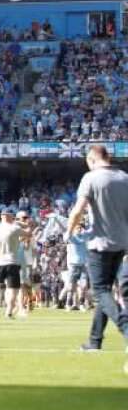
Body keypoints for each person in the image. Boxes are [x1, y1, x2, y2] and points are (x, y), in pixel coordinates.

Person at [68, 144, 128, 356]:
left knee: (101, 291)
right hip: (121, 244)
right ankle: (95, 340)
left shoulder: (91, 178)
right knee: (107, 292)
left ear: (92, 160)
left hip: (99, 243)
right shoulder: (124, 177)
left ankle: (126, 327)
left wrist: (69, 231)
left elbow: (78, 211)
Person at [0, 208, 25, 321]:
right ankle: (8, 311)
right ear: (11, 216)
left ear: (1, 216)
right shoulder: (15, 228)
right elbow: (28, 234)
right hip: (12, 262)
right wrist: (22, 224)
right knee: (12, 288)